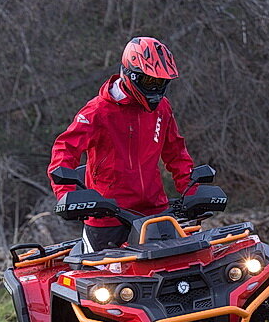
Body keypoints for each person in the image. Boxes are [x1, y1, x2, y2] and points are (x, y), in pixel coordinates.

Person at [47, 36, 195, 252]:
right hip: (107, 218)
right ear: (131, 74)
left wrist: (191, 189)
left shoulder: (162, 108)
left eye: (161, 82)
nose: (155, 88)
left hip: (156, 213)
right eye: (150, 81)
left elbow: (176, 152)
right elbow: (64, 149)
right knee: (100, 282)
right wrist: (66, 194)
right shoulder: (98, 111)